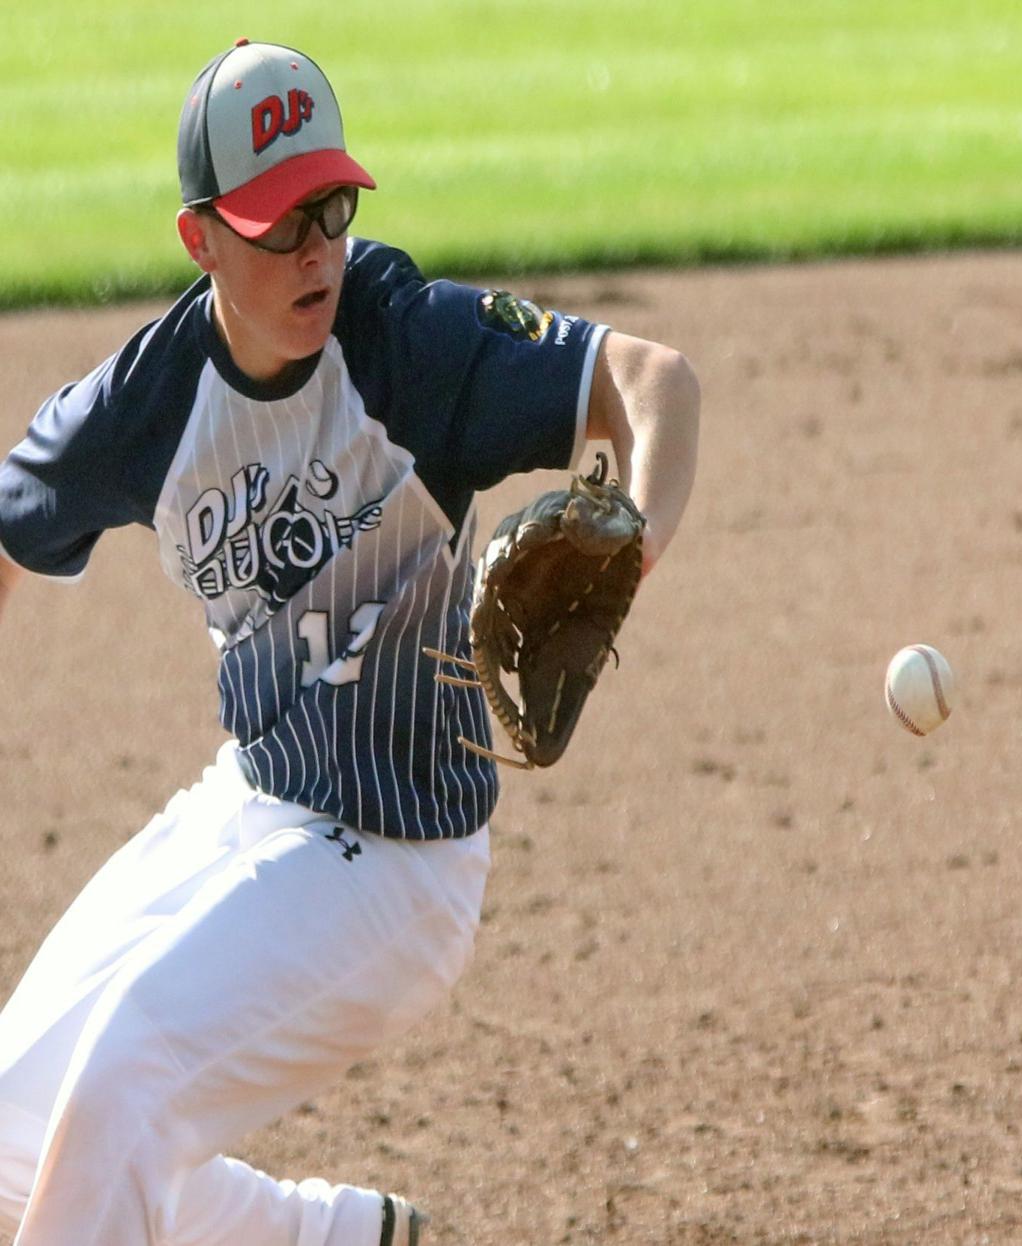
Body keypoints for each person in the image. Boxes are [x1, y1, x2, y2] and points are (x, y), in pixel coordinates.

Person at [0, 38, 699, 1246]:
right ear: (202, 238)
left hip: (401, 861)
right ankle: (339, 1237)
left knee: (124, 1076)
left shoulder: (403, 342)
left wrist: (631, 542)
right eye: (278, 222)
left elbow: (653, 380)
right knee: (16, 1136)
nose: (316, 247)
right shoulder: (151, 404)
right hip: (252, 803)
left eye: (332, 204)